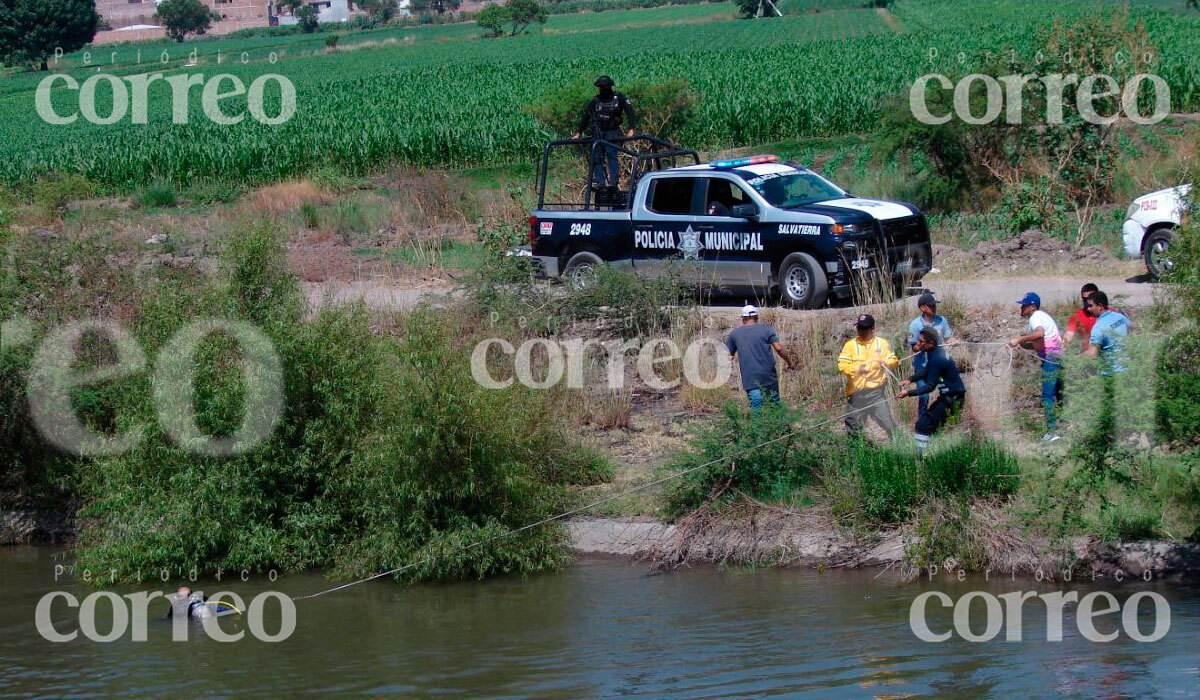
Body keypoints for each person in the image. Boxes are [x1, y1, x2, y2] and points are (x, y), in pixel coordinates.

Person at [898, 328, 966, 456]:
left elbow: (930, 387)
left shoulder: (937, 359)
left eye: (921, 341)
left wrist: (908, 393)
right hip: (950, 397)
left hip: (952, 399)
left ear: (930, 343)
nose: (918, 343)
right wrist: (910, 379)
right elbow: (926, 369)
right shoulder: (934, 352)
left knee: (922, 425)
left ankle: (922, 460)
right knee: (933, 429)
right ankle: (934, 457)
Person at [1008, 292, 1065, 443]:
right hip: (1058, 357)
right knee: (1059, 394)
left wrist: (1019, 339)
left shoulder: (1035, 318)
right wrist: (1019, 344)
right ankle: (1065, 427)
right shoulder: (1043, 316)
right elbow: (1041, 342)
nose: (1021, 308)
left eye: (1024, 305)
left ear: (1032, 306)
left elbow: (1039, 334)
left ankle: (1052, 432)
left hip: (1051, 360)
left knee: (1047, 396)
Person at [572, 75, 636, 199]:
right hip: (598, 132)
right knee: (596, 157)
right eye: (600, 87)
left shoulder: (619, 98)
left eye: (604, 86)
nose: (602, 89)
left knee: (611, 155)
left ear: (609, 86)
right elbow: (586, 117)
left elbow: (630, 112)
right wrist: (579, 132)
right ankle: (600, 182)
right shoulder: (595, 101)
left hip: (612, 132)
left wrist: (631, 129)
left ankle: (613, 181)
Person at [837, 313, 899, 439]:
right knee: (853, 428)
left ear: (872, 329)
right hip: (855, 394)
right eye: (859, 328)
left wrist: (886, 363)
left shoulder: (881, 344)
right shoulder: (850, 345)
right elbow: (842, 365)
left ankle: (899, 446)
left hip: (875, 393)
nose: (861, 331)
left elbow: (893, 360)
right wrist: (858, 369)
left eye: (864, 328)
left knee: (888, 424)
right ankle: (857, 452)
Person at [726, 304, 796, 410]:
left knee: (756, 405)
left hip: (750, 378)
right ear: (756, 317)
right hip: (769, 375)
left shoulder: (735, 334)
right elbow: (779, 349)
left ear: (743, 318)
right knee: (774, 404)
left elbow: (728, 356)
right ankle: (777, 425)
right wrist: (790, 362)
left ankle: (758, 426)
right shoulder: (766, 330)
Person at [906, 292, 956, 415]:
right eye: (930, 306)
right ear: (922, 308)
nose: (934, 308)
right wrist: (923, 347)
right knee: (924, 396)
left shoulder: (942, 320)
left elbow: (947, 337)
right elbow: (914, 347)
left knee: (948, 392)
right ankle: (922, 422)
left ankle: (947, 418)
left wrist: (953, 341)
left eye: (934, 305)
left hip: (939, 364)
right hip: (922, 367)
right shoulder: (915, 325)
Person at [1083, 291, 1131, 373]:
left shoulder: (1098, 328)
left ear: (1100, 306)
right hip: (1128, 368)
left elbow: (1092, 354)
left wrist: (1076, 357)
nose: (1088, 309)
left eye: (1091, 306)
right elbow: (1131, 332)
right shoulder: (1120, 317)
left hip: (1111, 374)